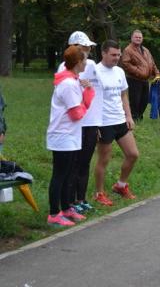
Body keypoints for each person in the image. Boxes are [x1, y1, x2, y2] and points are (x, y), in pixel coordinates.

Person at [46, 46, 95, 227]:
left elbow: (82, 107)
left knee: (68, 174)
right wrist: (84, 102)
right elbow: (77, 114)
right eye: (84, 60)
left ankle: (66, 208)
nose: (86, 63)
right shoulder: (68, 84)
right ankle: (53, 213)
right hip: (62, 136)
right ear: (77, 62)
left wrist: (88, 90)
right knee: (59, 175)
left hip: (70, 135)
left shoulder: (74, 81)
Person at [57, 31, 100, 213]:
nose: (88, 50)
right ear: (74, 48)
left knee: (85, 162)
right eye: (84, 47)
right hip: (75, 123)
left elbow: (98, 91)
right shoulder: (63, 69)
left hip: (90, 121)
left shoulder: (90, 65)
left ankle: (81, 198)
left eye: (89, 47)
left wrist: (98, 121)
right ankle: (70, 202)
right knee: (73, 164)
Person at [93, 40, 139, 206]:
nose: (117, 58)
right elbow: (90, 99)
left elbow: (123, 95)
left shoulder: (119, 71)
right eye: (113, 55)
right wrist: (94, 124)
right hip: (104, 122)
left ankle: (120, 185)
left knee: (133, 154)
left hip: (120, 120)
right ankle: (99, 193)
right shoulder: (95, 71)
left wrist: (128, 116)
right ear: (103, 53)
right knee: (104, 160)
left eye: (118, 55)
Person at [120, 30, 160, 121]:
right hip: (134, 79)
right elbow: (126, 64)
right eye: (136, 37)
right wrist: (139, 71)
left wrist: (157, 74)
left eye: (140, 37)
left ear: (142, 39)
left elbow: (152, 63)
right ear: (132, 38)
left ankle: (139, 116)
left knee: (145, 100)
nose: (138, 39)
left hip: (145, 80)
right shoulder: (128, 50)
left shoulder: (146, 50)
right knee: (135, 101)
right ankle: (133, 118)